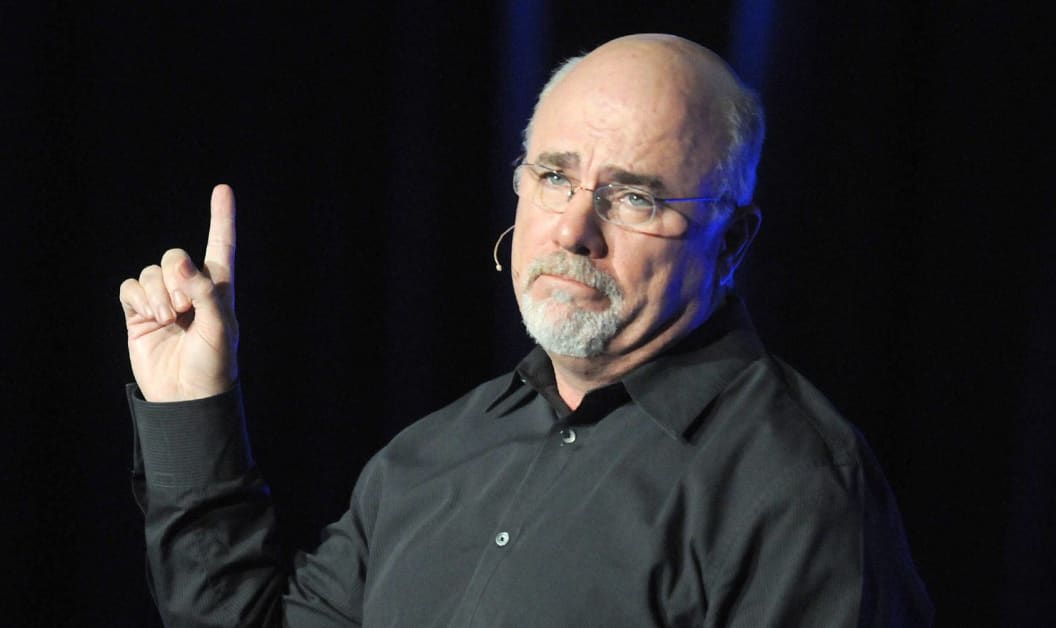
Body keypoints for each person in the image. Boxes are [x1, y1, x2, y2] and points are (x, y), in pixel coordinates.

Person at [119, 34, 933, 626]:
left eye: (635, 197)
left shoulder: (796, 491)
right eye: (554, 176)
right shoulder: (430, 458)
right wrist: (193, 410)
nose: (573, 229)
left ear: (732, 241)